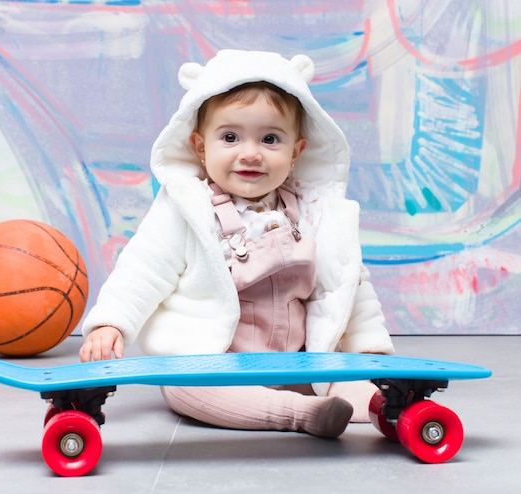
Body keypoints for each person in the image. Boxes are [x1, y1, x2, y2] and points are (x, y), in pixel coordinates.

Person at [79, 50, 395, 438]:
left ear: (296, 152)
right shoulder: (187, 210)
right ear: (200, 147)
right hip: (216, 363)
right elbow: (143, 269)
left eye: (270, 139)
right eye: (230, 137)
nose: (250, 152)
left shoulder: (313, 211)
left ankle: (388, 407)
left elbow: (347, 283)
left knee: (349, 379)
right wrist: (111, 323)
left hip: (301, 363)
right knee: (185, 388)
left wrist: (368, 348)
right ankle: (299, 414)